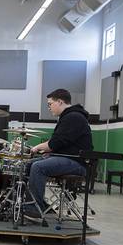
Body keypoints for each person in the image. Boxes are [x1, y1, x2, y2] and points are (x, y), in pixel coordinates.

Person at [25, 88, 93, 218]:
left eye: (50, 104)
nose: (49, 107)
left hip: (77, 162)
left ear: (60, 102)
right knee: (27, 165)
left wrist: (36, 148)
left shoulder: (73, 117)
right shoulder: (68, 116)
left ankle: (34, 208)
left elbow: (53, 144)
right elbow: (61, 143)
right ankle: (38, 203)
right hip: (68, 158)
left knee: (38, 167)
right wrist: (49, 153)